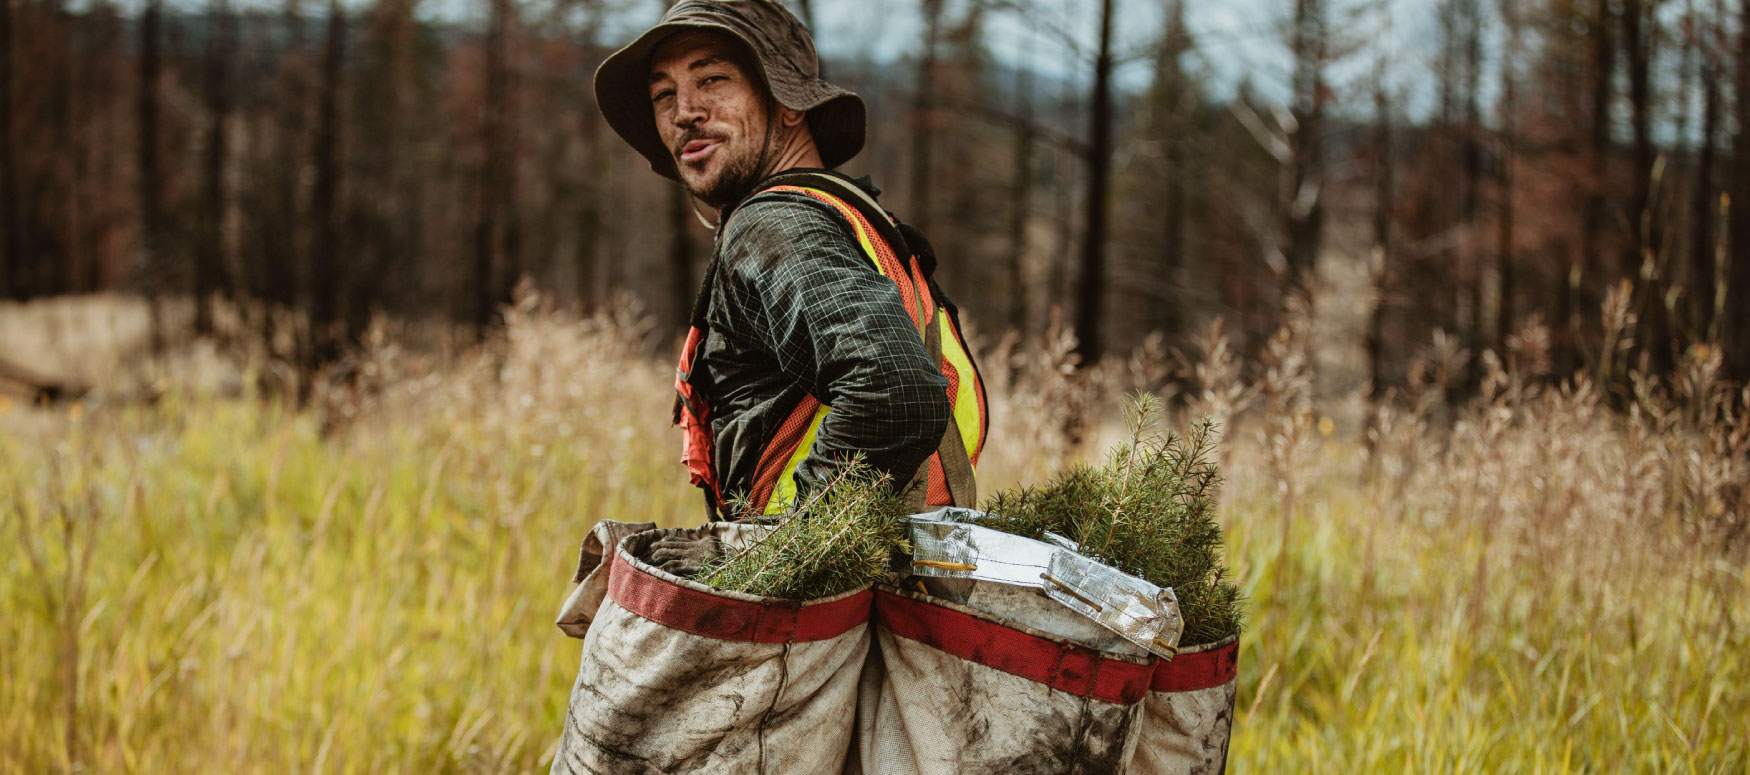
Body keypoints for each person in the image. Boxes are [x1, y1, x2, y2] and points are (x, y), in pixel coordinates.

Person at [592, 0, 987, 569]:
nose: (684, 112)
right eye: (663, 95)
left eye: (713, 79)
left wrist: (778, 552)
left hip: (814, 618)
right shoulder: (844, 215)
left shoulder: (774, 223)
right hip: (885, 589)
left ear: (787, 104)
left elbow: (895, 391)